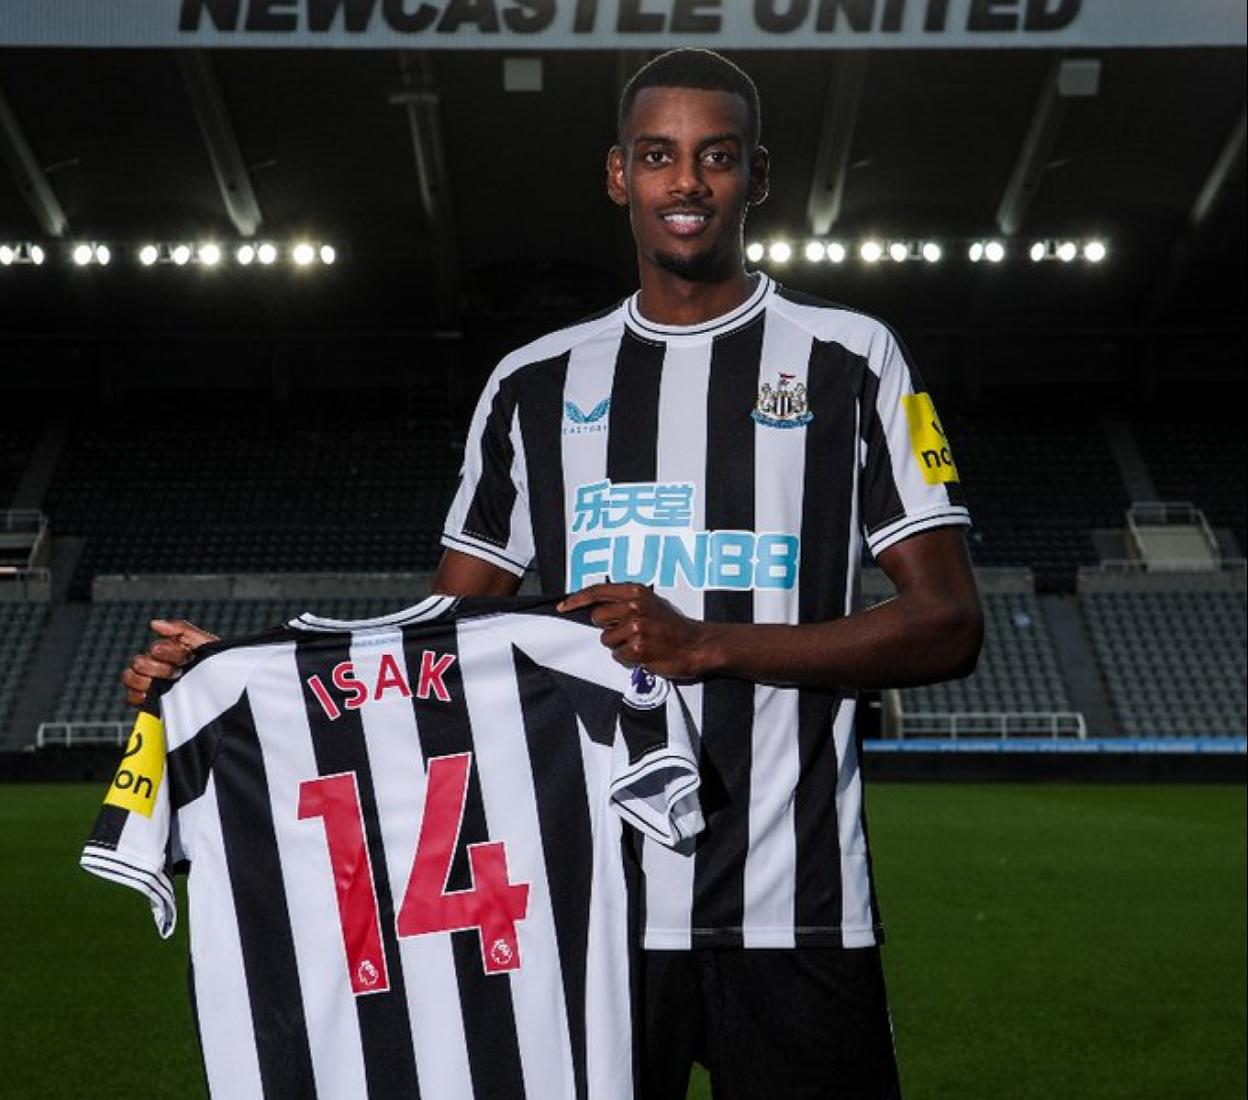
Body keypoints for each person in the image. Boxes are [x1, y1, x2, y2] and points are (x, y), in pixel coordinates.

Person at [125, 49, 982, 1100]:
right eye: (658, 156)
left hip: (795, 904)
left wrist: (709, 643)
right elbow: (439, 638)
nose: (687, 184)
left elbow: (948, 623)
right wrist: (245, 681)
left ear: (756, 176)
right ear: (618, 174)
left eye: (715, 157)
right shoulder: (536, 384)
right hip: (587, 913)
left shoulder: (853, 358)